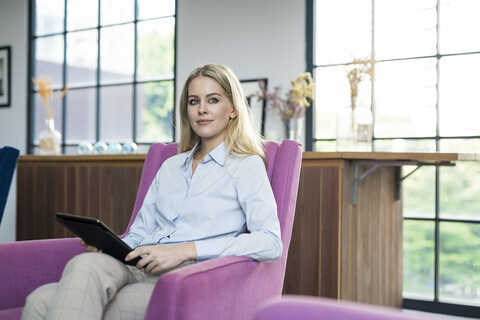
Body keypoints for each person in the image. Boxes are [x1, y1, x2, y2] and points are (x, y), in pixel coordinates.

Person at [22, 64, 282, 320]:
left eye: (213, 100)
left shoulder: (246, 165)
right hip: (139, 263)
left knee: (43, 303)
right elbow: (141, 230)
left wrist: (186, 250)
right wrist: (111, 245)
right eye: (193, 101)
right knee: (78, 268)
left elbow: (270, 241)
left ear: (234, 109)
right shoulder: (170, 166)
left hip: (186, 279)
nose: (202, 109)